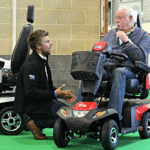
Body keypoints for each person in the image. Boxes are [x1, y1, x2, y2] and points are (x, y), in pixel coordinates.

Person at [77, 6, 150, 120]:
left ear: (130, 18)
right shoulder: (111, 33)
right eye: (116, 18)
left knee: (119, 72)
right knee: (89, 70)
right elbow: (100, 49)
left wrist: (127, 41)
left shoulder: (143, 35)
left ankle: (113, 116)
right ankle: (80, 112)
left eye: (119, 18)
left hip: (129, 70)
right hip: (108, 68)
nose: (116, 21)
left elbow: (141, 58)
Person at [13, 30, 76, 140]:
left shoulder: (42, 60)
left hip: (44, 102)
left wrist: (61, 94)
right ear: (38, 46)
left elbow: (46, 87)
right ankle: (35, 123)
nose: (51, 43)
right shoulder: (31, 65)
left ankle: (39, 122)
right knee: (68, 118)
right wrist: (55, 94)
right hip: (35, 107)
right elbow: (30, 92)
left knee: (70, 114)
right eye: (47, 42)